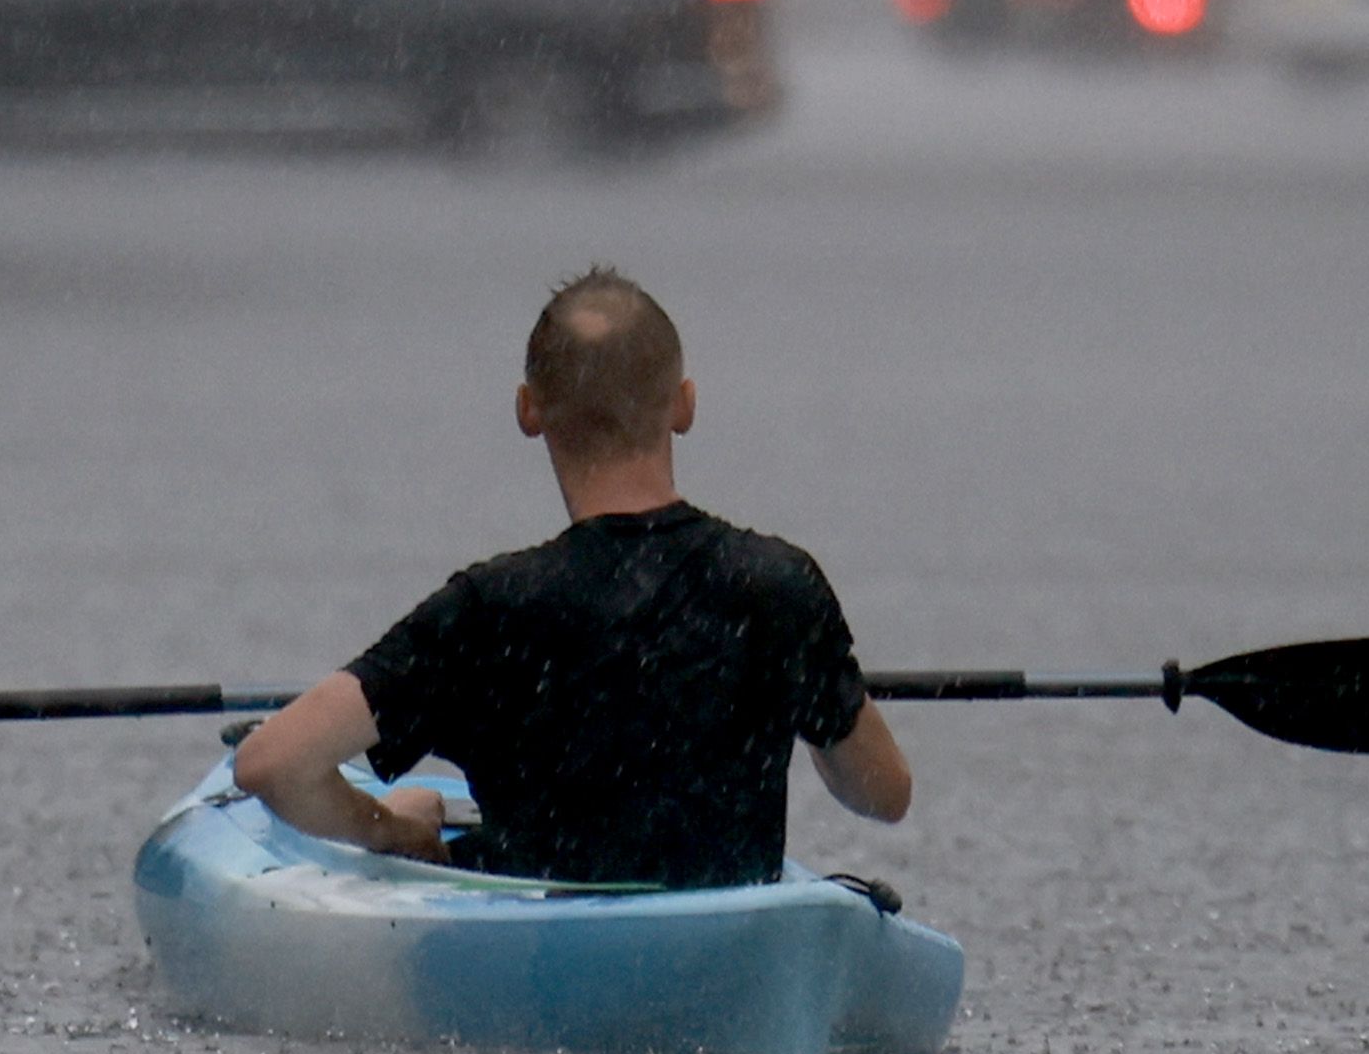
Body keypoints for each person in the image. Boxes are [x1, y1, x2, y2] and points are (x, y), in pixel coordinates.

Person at [232, 269, 915, 886]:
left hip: (538, 947)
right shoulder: (777, 586)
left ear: (529, 410)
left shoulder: (490, 608)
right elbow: (884, 795)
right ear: (683, 404)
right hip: (723, 937)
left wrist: (393, 830)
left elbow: (272, 765)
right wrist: (812, 699)